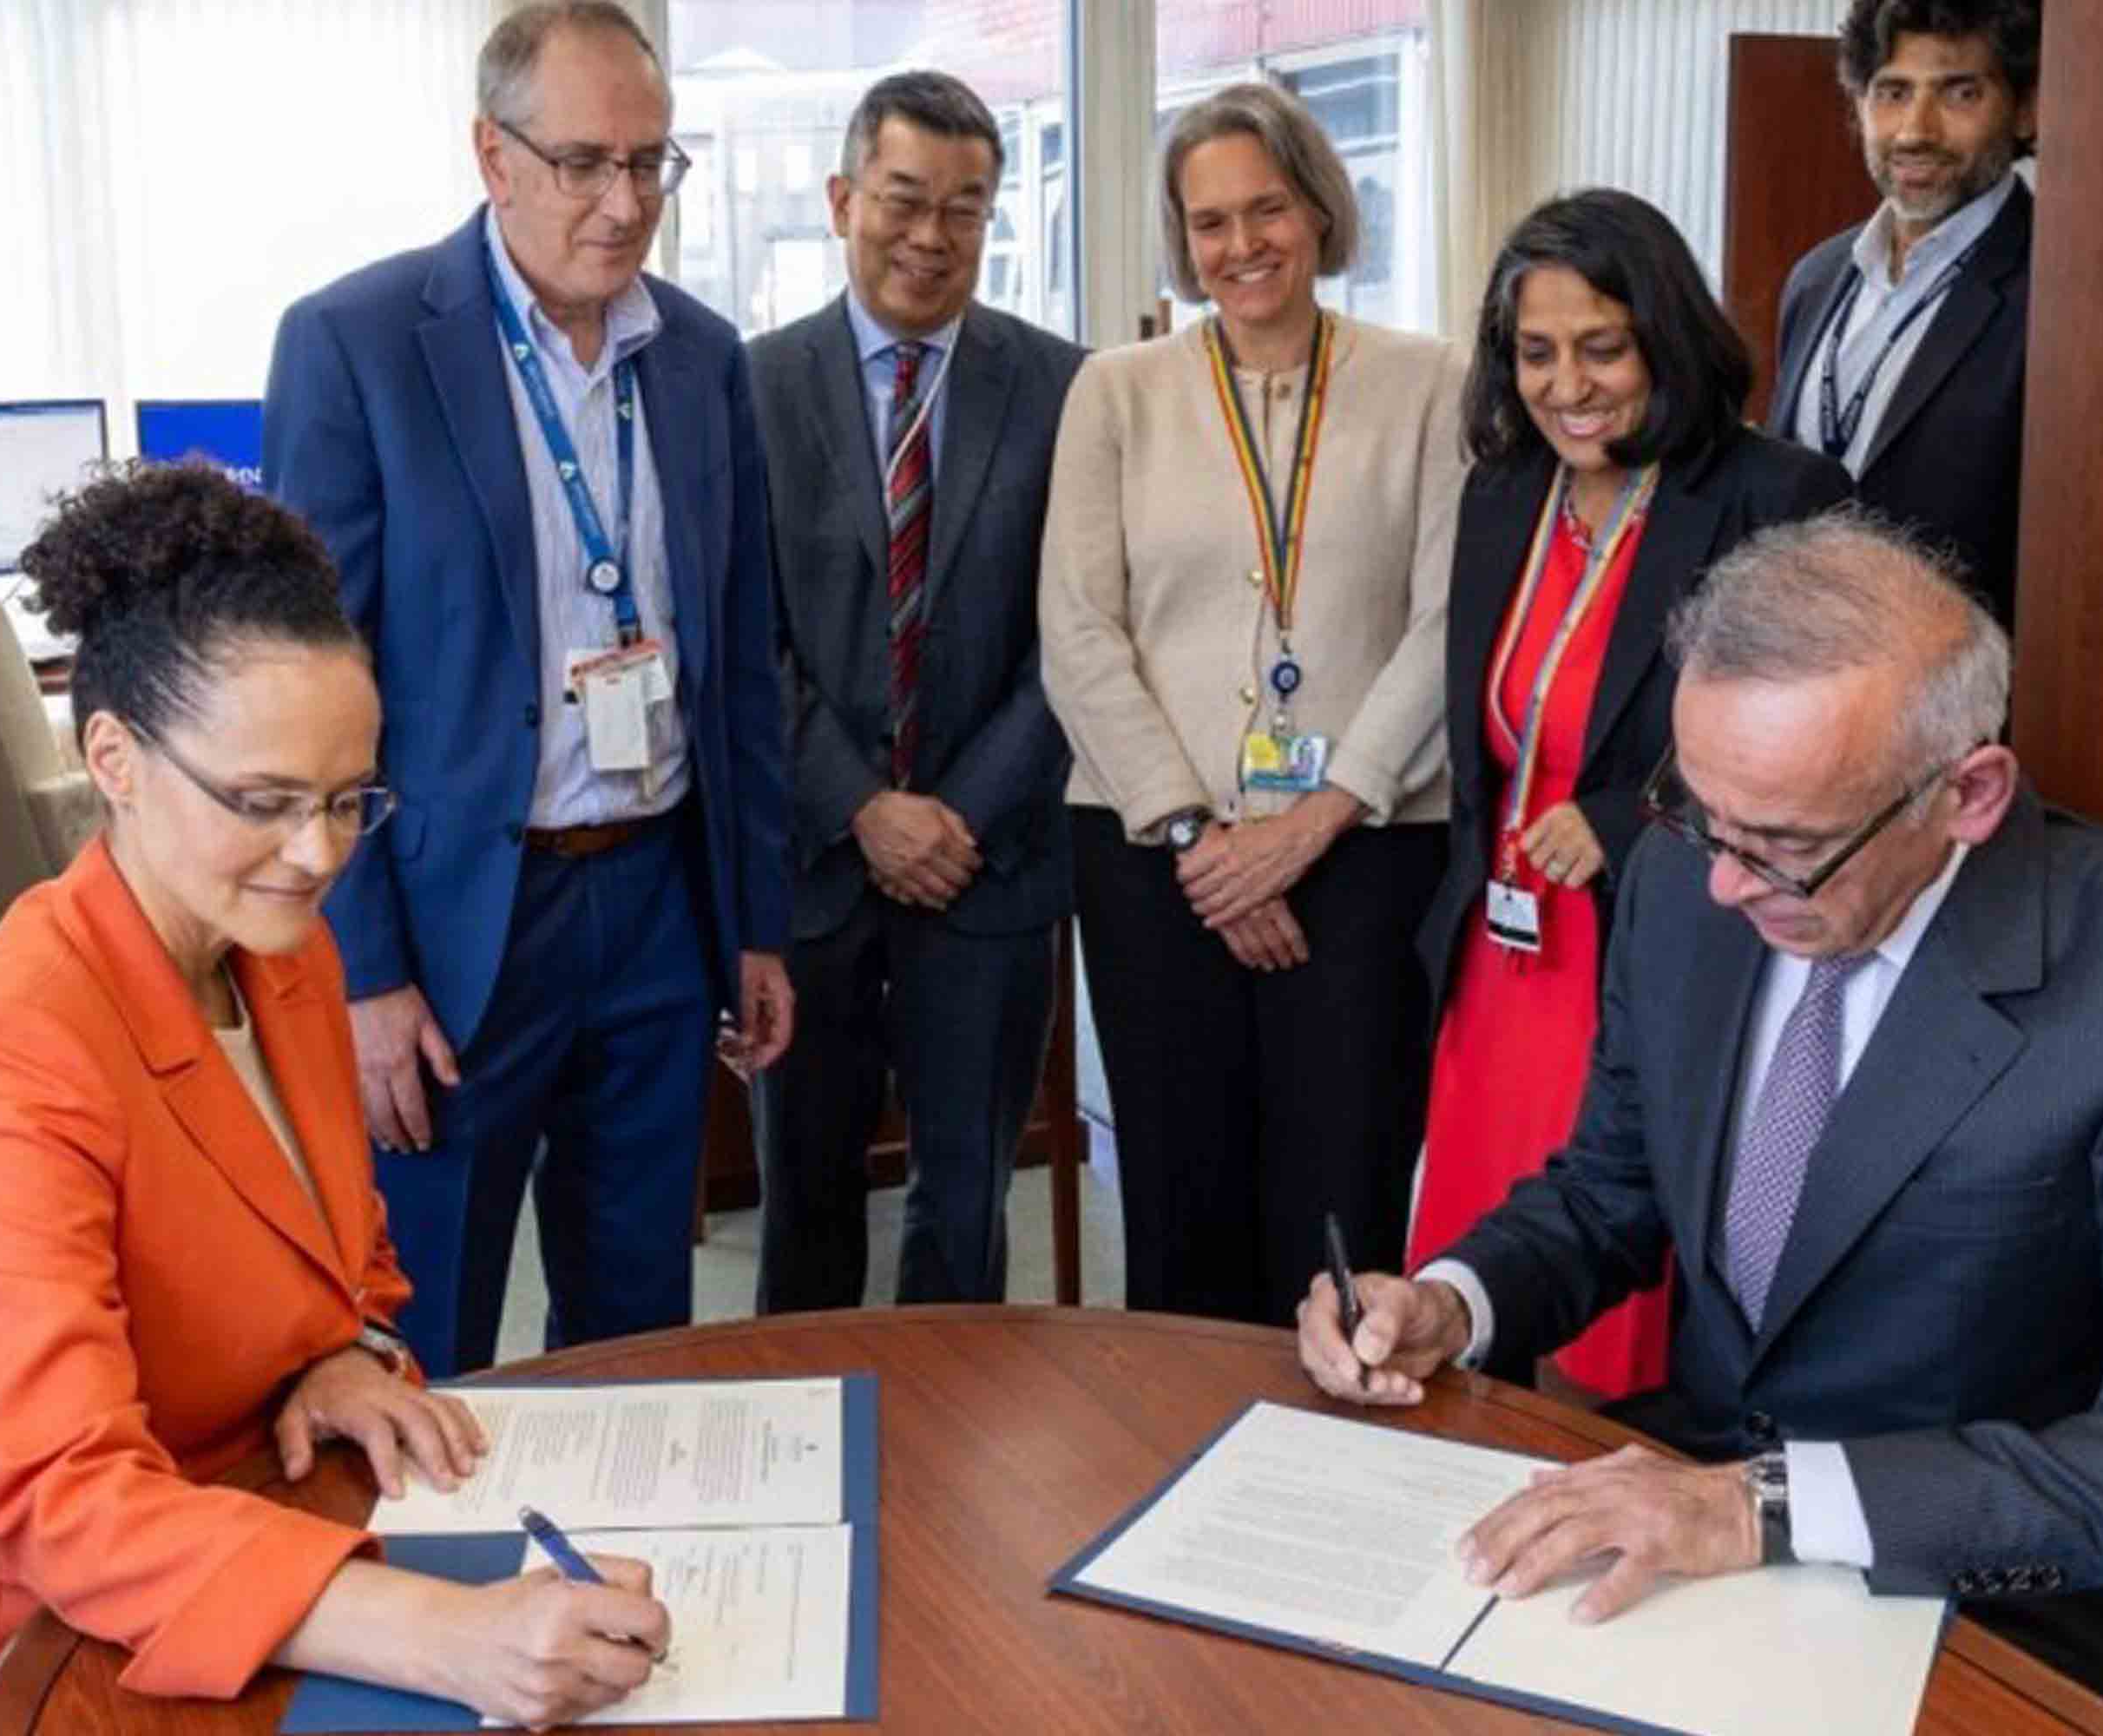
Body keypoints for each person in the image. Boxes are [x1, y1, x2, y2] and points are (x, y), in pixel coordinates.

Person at [1299, 510, 2103, 1735]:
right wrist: (1452, 1302)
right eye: (1702, 813)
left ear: (1969, 793)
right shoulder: (1683, 886)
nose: (1726, 881)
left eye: (1786, 846)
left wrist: (1769, 1506)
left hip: (1999, 1601)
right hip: (1690, 1515)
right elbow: (1610, 1190)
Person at [0, 464, 670, 1735]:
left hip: (263, 1536)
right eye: (265, 802)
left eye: (346, 801)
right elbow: (68, 1502)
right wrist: (449, 1635)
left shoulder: (282, 956)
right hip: (44, 1650)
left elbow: (345, 1258)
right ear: (113, 759)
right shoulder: (2, 1056)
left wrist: (345, 1351)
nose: (319, 853)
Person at [264, 0, 793, 1377]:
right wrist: (364, 971)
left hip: (659, 906)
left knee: (639, 1330)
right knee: (427, 1326)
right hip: (459, 924)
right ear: (492, 156)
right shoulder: (359, 344)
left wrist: (755, 920)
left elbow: (738, 658)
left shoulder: (701, 358)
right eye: (584, 163)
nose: (624, 203)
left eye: (651, 163)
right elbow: (309, 685)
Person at [1407, 190, 1850, 1402]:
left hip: (1656, 941)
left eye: (1601, 347)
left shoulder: (1777, 495)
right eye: (1536, 352)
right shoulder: (1505, 489)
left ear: (1664, 335)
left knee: (1610, 1314)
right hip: (1502, 956)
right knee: (1476, 1300)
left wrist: (1624, 821)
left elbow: (1827, 751)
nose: (1568, 386)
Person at [1042, 82, 1466, 1328]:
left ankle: (1338, 1420)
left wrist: (1310, 823)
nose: (1242, 245)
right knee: (1180, 1192)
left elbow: (1449, 623)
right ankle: (1184, 1434)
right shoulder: (1115, 392)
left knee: (1343, 1188)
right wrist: (1199, 835)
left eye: (1267, 208)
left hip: (1366, 851)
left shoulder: (1434, 384)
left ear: (1320, 210)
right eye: (1210, 221)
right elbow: (1077, 628)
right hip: (1153, 858)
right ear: (1182, 240)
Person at [746, 73, 1084, 1312]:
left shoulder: (1064, 386)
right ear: (844, 200)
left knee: (966, 1201)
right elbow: (740, 634)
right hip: (813, 869)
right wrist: (861, 806)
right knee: (806, 1196)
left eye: (965, 208)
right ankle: (802, 1409)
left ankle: (955, 1424)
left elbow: (1077, 632)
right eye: (904, 200)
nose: (931, 236)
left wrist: (960, 815)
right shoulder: (748, 385)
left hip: (988, 869)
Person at [1767, 0, 2038, 628]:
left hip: (1964, 674)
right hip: (1807, 660)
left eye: (1960, 93)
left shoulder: (2059, 290)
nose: (1916, 130)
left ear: (2025, 109)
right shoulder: (1814, 279)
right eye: (1892, 93)